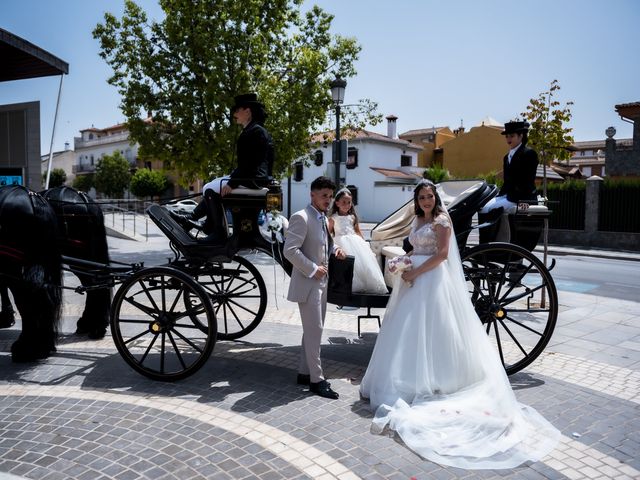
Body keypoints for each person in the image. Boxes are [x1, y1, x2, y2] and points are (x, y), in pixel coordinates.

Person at [359, 180, 559, 469]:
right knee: (406, 332)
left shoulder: (441, 220)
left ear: (434, 198)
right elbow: (416, 249)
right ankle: (408, 377)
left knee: (432, 330)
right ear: (417, 200)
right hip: (413, 278)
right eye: (422, 197)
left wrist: (415, 272)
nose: (426, 201)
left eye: (429, 197)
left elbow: (440, 255)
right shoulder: (418, 219)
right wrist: (402, 262)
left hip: (431, 280)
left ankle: (438, 380)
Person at [171, 93, 274, 243]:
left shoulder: (255, 132)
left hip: (253, 179)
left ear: (247, 111)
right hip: (254, 178)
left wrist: (232, 183)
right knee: (212, 185)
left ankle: (216, 231)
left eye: (237, 110)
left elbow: (249, 163)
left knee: (210, 188)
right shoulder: (255, 130)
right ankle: (195, 220)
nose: (234, 114)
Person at [284, 176, 346, 400]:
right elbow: (289, 250)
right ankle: (316, 380)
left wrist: (335, 249)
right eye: (324, 196)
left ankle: (304, 372)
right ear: (312, 194)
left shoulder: (322, 218)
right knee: (315, 330)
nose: (328, 200)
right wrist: (312, 269)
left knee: (312, 330)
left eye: (330, 196)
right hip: (308, 283)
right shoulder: (301, 217)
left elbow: (324, 244)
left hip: (322, 283)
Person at [479, 120, 539, 242]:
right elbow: (507, 181)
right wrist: (501, 196)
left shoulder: (529, 154)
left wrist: (510, 197)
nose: (508, 139)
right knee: (483, 208)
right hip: (508, 196)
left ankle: (493, 242)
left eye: (511, 136)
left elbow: (527, 181)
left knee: (491, 209)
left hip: (523, 198)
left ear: (521, 136)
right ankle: (486, 243)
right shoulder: (507, 157)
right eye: (507, 136)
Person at [328, 188, 387, 294]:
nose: (347, 205)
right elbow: (328, 234)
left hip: (355, 242)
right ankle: (351, 285)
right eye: (344, 202)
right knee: (349, 266)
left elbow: (358, 232)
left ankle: (366, 285)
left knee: (362, 264)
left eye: (349, 202)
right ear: (337, 203)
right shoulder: (333, 218)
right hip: (341, 243)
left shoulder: (352, 217)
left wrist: (364, 245)